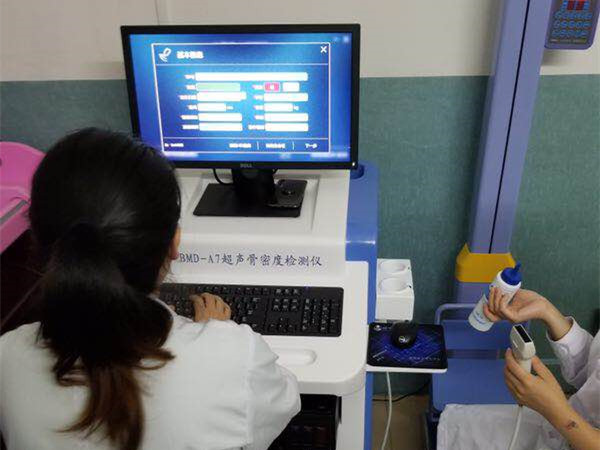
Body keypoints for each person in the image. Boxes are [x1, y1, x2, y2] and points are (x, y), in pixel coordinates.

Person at [0, 128, 300, 450]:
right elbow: (284, 401)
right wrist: (217, 336)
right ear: (174, 244)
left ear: (37, 241)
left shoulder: (7, 358)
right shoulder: (234, 360)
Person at [484, 287, 600, 450]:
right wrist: (546, 310)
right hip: (552, 428)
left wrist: (555, 410)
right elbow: (593, 369)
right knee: (456, 423)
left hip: (563, 425)